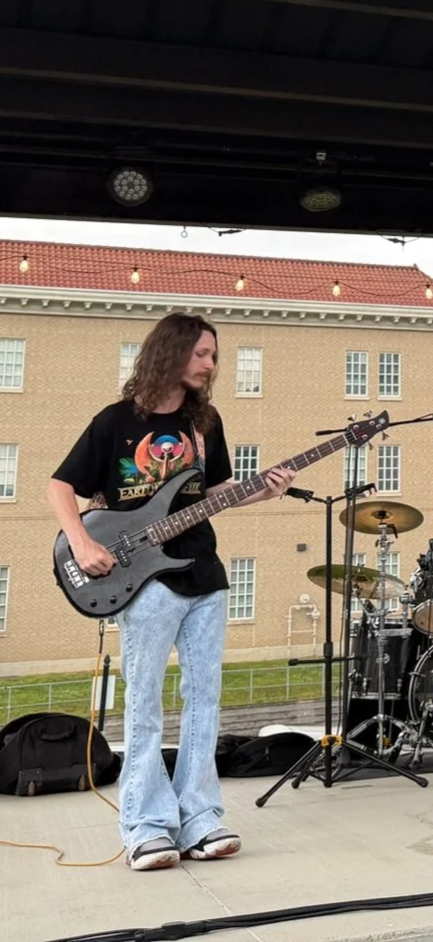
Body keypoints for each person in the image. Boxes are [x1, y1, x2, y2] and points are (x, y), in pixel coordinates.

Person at [47, 313, 296, 871]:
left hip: (203, 573)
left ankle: (201, 817)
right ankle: (145, 825)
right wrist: (82, 542)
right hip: (144, 580)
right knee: (146, 703)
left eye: (214, 356)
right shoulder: (115, 423)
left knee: (205, 701)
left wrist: (263, 490)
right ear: (173, 351)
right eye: (203, 354)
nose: (210, 365)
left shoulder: (205, 424)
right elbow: (61, 485)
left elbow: (218, 491)